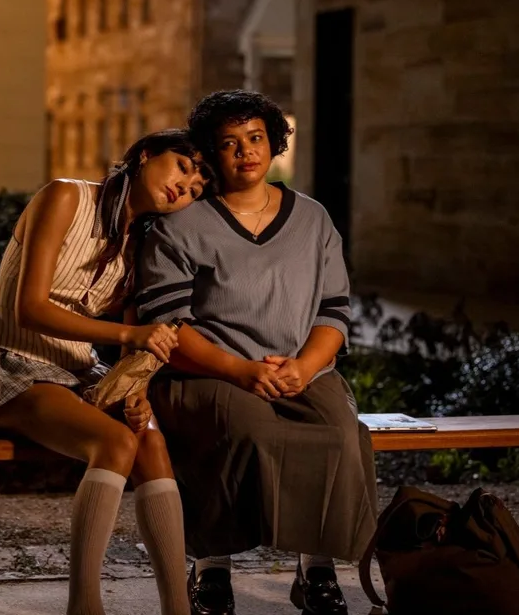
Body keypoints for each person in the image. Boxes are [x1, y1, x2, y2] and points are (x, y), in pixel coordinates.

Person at [135, 91, 378, 615]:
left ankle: (316, 569)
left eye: (255, 139)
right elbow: (170, 328)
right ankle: (211, 569)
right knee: (243, 428)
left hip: (299, 369)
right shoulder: (180, 227)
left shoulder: (313, 220)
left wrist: (305, 367)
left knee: (341, 432)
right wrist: (241, 371)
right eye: (228, 144)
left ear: (273, 143)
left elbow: (333, 313)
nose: (245, 152)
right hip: (207, 371)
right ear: (209, 153)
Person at [0, 129, 215, 615]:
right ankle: (85, 605)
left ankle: (178, 609)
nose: (186, 188)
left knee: (151, 439)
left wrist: (134, 389)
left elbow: (138, 343)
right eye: (183, 167)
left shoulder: (141, 245)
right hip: (12, 363)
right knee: (116, 442)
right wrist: (128, 338)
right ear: (145, 155)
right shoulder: (64, 196)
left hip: (81, 374)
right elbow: (29, 307)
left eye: (198, 188)